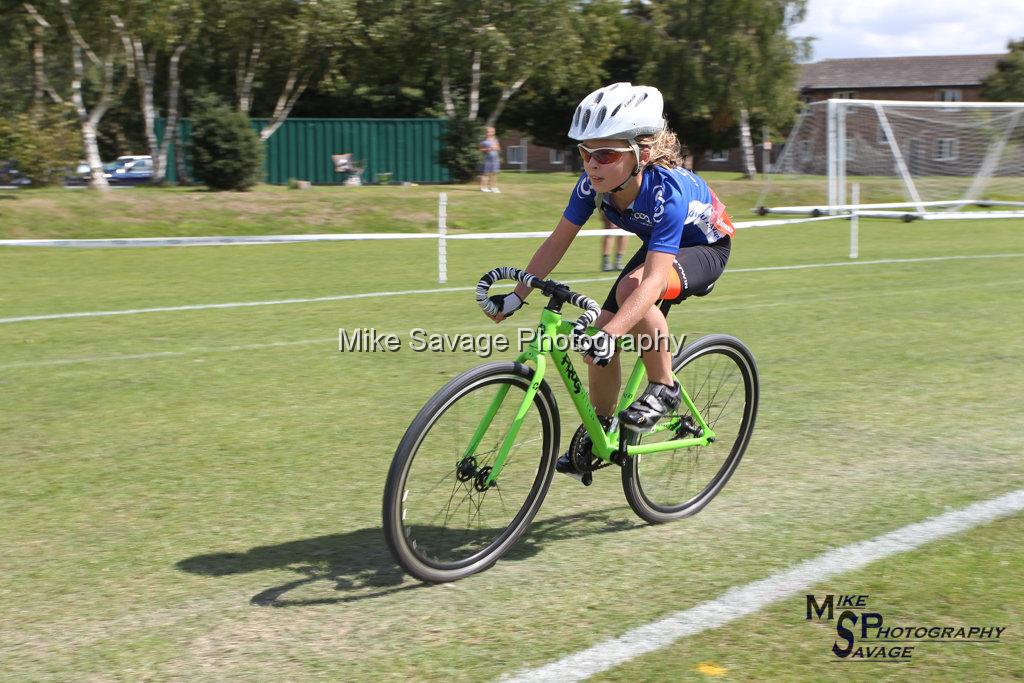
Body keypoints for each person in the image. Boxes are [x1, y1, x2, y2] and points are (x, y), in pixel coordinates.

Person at [483, 82, 735, 477]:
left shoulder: (666, 190)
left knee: (630, 295)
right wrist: (517, 296)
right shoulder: (591, 186)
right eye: (584, 152)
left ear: (642, 154)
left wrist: (614, 333)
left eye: (604, 154)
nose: (591, 164)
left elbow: (651, 282)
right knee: (600, 329)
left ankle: (664, 388)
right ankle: (604, 427)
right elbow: (557, 241)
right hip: (659, 245)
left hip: (705, 247)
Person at [479, 127, 501, 193]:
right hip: (488, 160)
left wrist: (496, 148)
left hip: (495, 159)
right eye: (488, 132)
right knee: (486, 174)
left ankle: (494, 188)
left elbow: (499, 148)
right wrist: (487, 149)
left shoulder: (495, 140)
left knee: (494, 173)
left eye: (491, 132)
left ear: (494, 132)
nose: (490, 133)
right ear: (486, 133)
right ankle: (483, 188)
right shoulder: (483, 141)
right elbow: (480, 149)